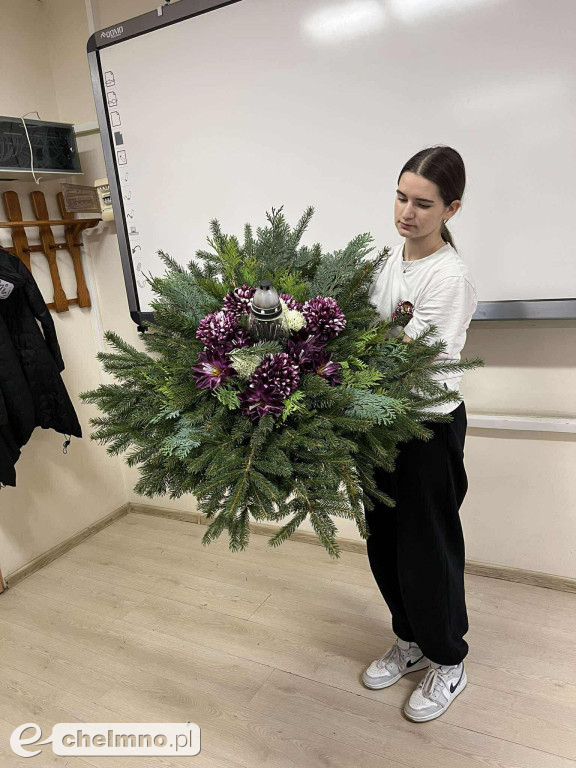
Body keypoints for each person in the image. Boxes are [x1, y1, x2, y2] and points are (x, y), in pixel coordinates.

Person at [362, 146, 478, 723]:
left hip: (426, 425)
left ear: (450, 209)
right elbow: (363, 330)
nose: (407, 212)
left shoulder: (448, 277)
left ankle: (448, 659)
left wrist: (349, 350)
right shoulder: (388, 260)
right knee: (383, 541)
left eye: (424, 204)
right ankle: (409, 640)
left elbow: (404, 355)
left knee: (427, 548)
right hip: (376, 421)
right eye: (401, 197)